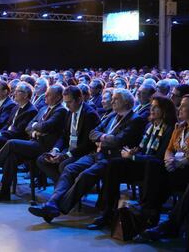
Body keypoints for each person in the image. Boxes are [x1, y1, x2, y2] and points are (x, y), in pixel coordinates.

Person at [28, 89, 146, 223]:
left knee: (84, 174)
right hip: (97, 154)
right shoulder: (112, 116)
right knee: (70, 169)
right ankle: (52, 203)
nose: (112, 101)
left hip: (114, 159)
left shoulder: (136, 120)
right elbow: (92, 133)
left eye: (116, 99)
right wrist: (104, 137)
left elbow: (119, 140)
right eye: (112, 98)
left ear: (126, 102)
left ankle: (54, 208)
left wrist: (101, 138)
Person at [87, 96, 177, 230]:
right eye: (151, 106)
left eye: (155, 107)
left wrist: (134, 157)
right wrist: (133, 153)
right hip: (142, 164)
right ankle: (108, 212)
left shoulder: (170, 129)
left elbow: (158, 157)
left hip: (156, 169)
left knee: (151, 166)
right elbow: (141, 149)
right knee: (113, 165)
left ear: (165, 110)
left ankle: (147, 217)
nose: (151, 109)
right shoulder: (149, 126)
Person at [0, 85, 67, 202]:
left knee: (11, 143)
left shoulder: (61, 110)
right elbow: (29, 127)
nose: (46, 95)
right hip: (34, 141)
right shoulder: (44, 108)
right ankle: (4, 192)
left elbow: (45, 126)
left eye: (49, 94)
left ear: (58, 97)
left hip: (44, 147)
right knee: (11, 156)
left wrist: (36, 128)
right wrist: (35, 131)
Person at [135, 95, 189, 250]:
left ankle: (169, 225)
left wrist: (183, 161)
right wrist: (169, 159)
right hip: (175, 169)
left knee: (157, 169)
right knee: (155, 167)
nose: (180, 108)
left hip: (185, 169)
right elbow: (169, 149)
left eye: (184, 106)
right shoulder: (179, 128)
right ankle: (149, 215)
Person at [36, 86, 100, 184]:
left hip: (83, 152)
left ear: (79, 99)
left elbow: (87, 144)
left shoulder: (89, 114)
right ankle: (64, 187)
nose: (67, 106)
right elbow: (64, 135)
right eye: (65, 102)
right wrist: (55, 150)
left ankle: (64, 190)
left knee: (63, 165)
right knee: (42, 160)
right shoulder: (70, 112)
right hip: (69, 148)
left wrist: (65, 156)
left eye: (69, 102)